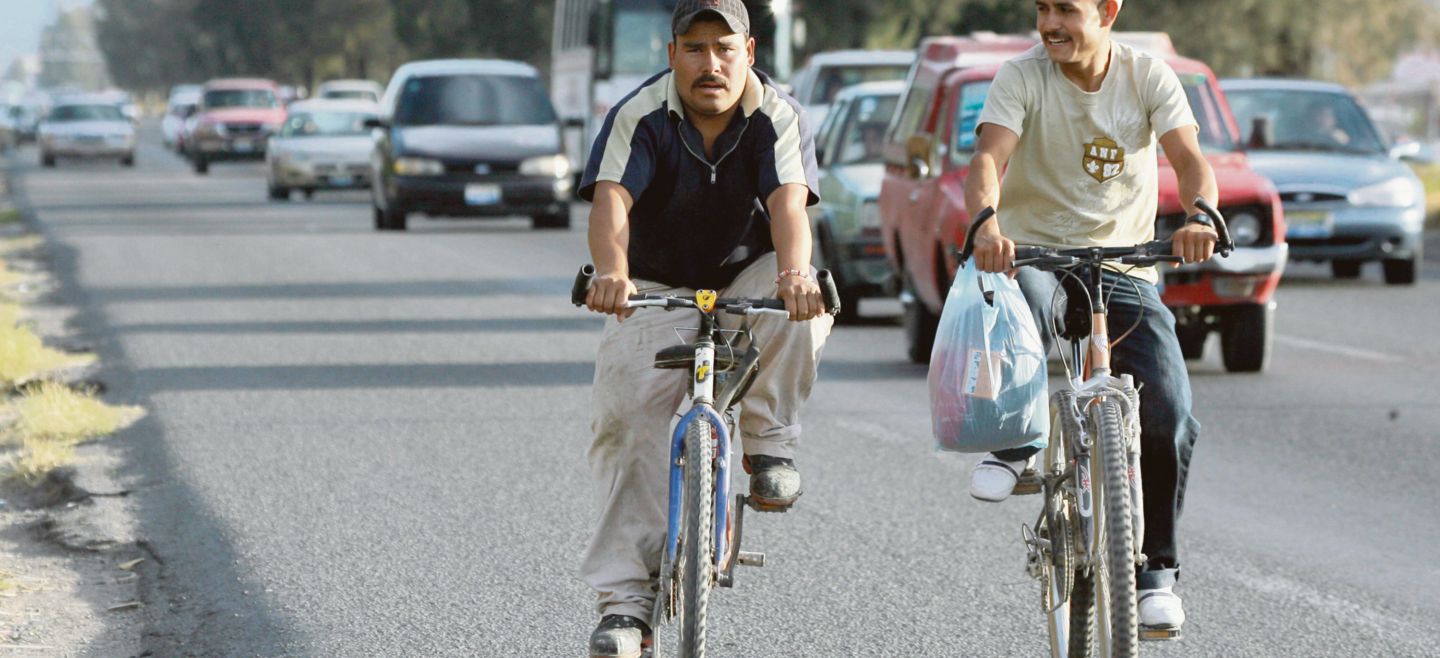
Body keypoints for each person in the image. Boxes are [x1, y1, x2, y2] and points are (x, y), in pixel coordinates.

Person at [576, 1, 830, 655]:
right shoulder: (639, 114)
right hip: (654, 286)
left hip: (748, 277)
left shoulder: (778, 115)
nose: (710, 63)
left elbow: (788, 206)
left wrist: (796, 275)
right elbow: (611, 202)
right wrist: (611, 271)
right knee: (628, 416)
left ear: (749, 51)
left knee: (807, 297)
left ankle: (767, 439)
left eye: (724, 47)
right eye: (694, 47)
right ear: (672, 54)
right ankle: (625, 604)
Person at [961, 0, 1220, 638]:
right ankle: (1017, 439)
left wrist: (1199, 215)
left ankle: (1157, 572)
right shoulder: (1021, 76)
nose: (1050, 23)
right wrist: (987, 224)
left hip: (1126, 267)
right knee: (1023, 310)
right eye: (1043, 8)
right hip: (1036, 252)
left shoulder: (1147, 75)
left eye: (1067, 10)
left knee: (1170, 413)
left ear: (1107, 11)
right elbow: (989, 159)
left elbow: (1189, 161)